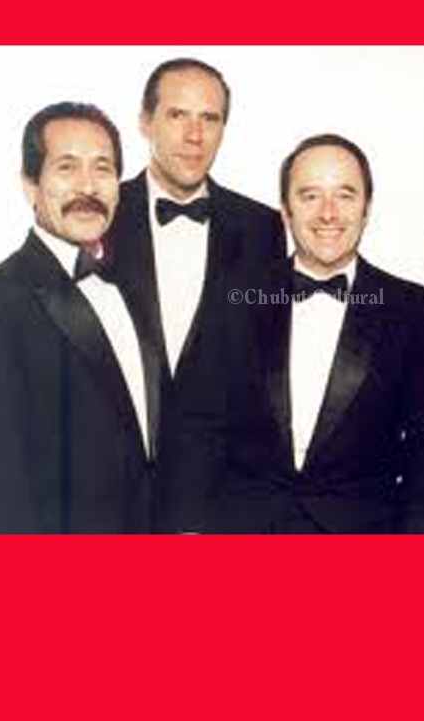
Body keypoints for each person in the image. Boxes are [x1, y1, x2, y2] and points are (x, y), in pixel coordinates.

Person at [210, 134, 424, 533]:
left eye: (345, 195)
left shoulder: (415, 310)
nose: (328, 213)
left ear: (367, 208)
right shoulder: (235, 297)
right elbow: (199, 423)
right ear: (286, 210)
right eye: (310, 196)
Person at [0, 102, 164, 533]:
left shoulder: (135, 289)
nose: (88, 185)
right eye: (67, 167)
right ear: (30, 185)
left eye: (103, 168)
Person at [110, 58, 286, 531]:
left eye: (210, 118)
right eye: (177, 115)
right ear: (144, 121)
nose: (195, 135)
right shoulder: (99, 216)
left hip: (221, 503)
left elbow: (265, 370)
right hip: (109, 496)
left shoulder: (263, 228)